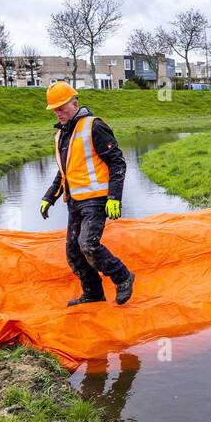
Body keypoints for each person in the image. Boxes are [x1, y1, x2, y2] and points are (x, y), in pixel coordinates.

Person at [39, 81, 135, 306]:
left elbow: (117, 162)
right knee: (74, 253)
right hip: (74, 202)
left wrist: (114, 198)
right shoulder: (62, 134)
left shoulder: (94, 126)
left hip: (96, 200)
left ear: (75, 103)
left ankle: (122, 276)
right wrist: (49, 197)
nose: (58, 113)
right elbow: (64, 172)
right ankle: (93, 293)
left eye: (61, 108)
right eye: (54, 110)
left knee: (88, 245)